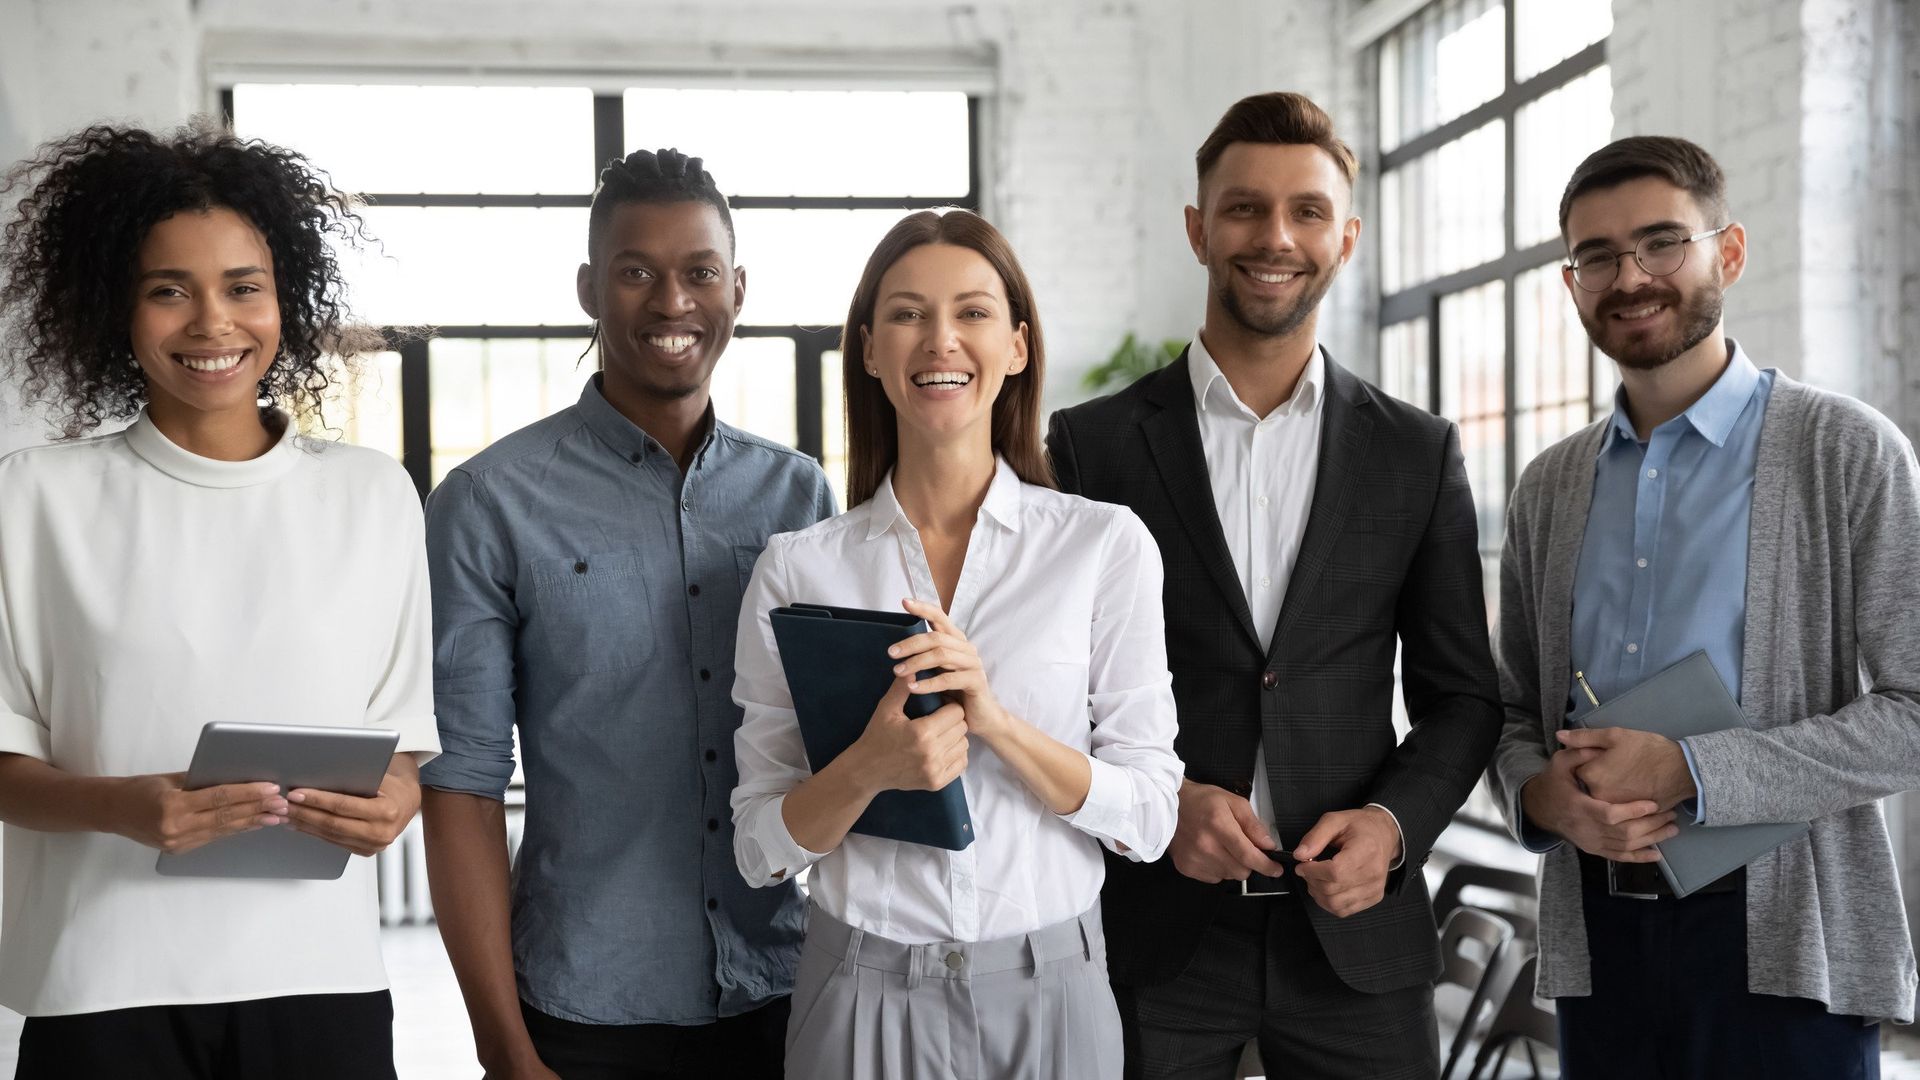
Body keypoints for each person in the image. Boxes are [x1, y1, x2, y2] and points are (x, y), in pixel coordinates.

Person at [1047, 91, 1504, 1078]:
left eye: (1306, 211)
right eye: (1245, 207)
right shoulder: (1091, 446)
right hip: (1152, 938)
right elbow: (1043, 692)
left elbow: (1464, 696)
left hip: (1356, 942)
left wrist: (1393, 827)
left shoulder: (1416, 453)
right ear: (1198, 228)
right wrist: (1158, 807)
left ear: (1345, 237)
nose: (1274, 236)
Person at [0, 122, 437, 1078]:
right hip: (101, 986)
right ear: (115, 308)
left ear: (287, 301)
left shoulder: (372, 495)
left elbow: (402, 734)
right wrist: (121, 808)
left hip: (320, 982)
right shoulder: (34, 498)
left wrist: (399, 795)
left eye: (244, 287)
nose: (213, 323)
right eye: (169, 291)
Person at [1487, 134, 1920, 1076]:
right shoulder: (1548, 489)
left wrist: (1696, 770)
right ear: (1571, 285)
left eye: (1660, 243)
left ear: (1727, 252)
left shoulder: (1846, 451)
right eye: (1596, 256)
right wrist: (1540, 792)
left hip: (1785, 939)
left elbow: (1914, 714)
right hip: (1599, 935)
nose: (1629, 276)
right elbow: (1511, 710)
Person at [729, 207, 1183, 1079]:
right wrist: (868, 766)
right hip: (857, 993)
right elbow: (759, 845)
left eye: (972, 312)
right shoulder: (798, 571)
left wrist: (998, 723)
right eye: (907, 313)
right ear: (869, 349)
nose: (940, 339)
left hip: (1054, 990)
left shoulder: (1102, 546)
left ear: (1016, 345)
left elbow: (1151, 818)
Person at [420, 147, 835, 1080]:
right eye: (636, 271)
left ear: (739, 288)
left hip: (782, 991)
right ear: (588, 288)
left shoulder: (797, 493)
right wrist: (503, 1049)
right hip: (584, 1008)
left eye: (699, 272)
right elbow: (462, 789)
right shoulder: (489, 502)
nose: (672, 301)